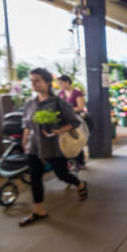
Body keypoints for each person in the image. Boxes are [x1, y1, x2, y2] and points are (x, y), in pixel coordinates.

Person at [20, 68, 88, 227]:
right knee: (35, 178)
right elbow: (26, 126)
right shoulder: (30, 104)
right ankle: (39, 210)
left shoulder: (59, 103)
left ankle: (79, 184)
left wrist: (59, 130)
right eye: (31, 80)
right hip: (33, 146)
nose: (33, 84)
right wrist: (24, 142)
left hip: (54, 146)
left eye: (37, 80)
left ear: (48, 82)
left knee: (62, 174)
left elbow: (74, 122)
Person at [57, 75, 86, 167]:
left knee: (76, 139)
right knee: (66, 140)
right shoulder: (60, 93)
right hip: (64, 120)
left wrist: (67, 111)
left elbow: (80, 107)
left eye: (61, 82)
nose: (59, 85)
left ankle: (80, 161)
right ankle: (70, 160)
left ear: (67, 82)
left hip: (75, 119)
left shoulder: (77, 93)